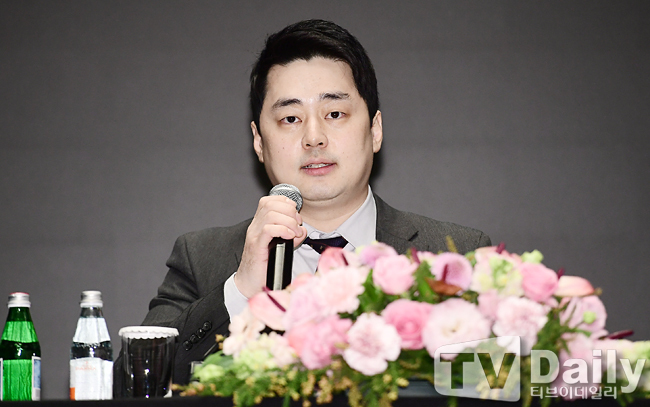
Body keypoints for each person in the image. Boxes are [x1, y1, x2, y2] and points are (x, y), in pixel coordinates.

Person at [115, 19, 491, 394]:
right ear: (259, 141)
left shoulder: (454, 255)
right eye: (291, 119)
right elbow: (128, 386)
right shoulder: (201, 258)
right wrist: (241, 290)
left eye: (335, 114)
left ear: (375, 130)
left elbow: (497, 388)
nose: (314, 138)